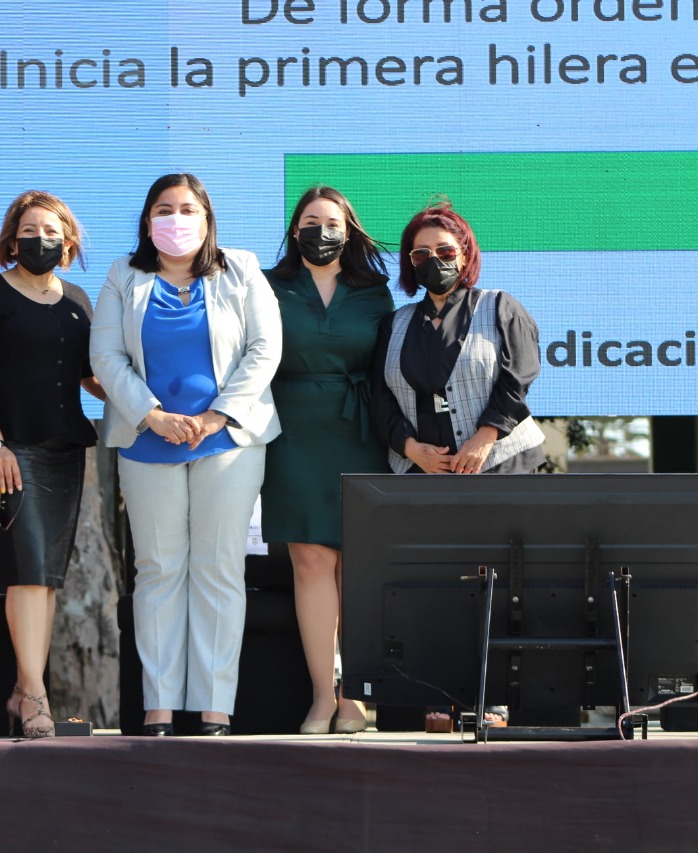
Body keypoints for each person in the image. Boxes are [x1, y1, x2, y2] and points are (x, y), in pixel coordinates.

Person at [90, 173, 282, 736]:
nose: (176, 220)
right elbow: (105, 357)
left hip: (227, 441)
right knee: (158, 570)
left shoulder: (241, 268)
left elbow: (265, 347)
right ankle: (160, 706)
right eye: (164, 209)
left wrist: (216, 416)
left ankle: (214, 707)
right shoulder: (122, 275)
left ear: (207, 217)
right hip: (147, 440)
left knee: (218, 568)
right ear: (147, 220)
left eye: (188, 209)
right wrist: (152, 415)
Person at [372, 198, 544, 731]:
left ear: (465, 254)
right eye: (420, 253)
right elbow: (380, 397)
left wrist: (485, 437)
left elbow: (519, 378)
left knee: (498, 580)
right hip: (424, 472)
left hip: (500, 461)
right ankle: (441, 695)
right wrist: (410, 448)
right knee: (437, 582)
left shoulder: (500, 306)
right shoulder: (396, 322)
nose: (434, 260)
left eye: (444, 250)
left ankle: (495, 698)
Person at [0, 190, 106, 739]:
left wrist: (145, 400)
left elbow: (91, 376)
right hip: (10, 453)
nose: (39, 240)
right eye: (28, 231)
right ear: (10, 240)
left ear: (68, 242)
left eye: (50, 232)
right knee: (24, 572)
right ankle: (36, 694)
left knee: (45, 579)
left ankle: (24, 693)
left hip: (64, 451)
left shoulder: (79, 300)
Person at [260, 186, 396, 735]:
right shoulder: (266, 286)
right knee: (311, 562)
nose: (322, 231)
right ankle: (323, 696)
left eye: (333, 222)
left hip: (361, 431)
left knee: (357, 563)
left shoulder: (375, 291)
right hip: (291, 432)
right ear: (295, 230)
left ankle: (355, 698)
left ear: (349, 230)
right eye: (311, 221)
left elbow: (391, 366)